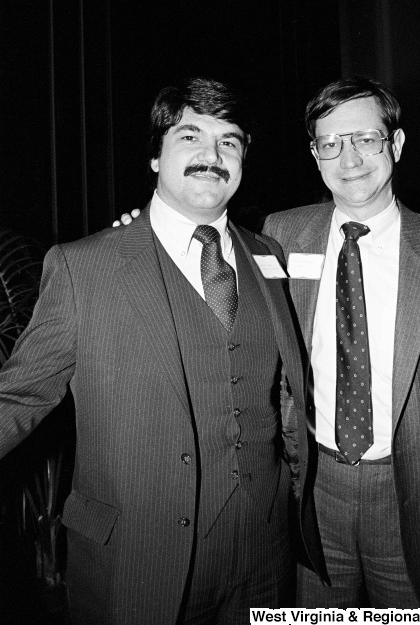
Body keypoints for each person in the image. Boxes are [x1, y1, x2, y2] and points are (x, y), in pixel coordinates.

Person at [0, 78, 325, 625]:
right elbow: (21, 394)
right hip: (137, 555)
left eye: (229, 141)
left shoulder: (268, 254)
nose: (211, 156)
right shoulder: (85, 266)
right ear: (155, 156)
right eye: (190, 136)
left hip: (264, 554)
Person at [262, 76, 420, 608]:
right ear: (315, 155)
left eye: (365, 139)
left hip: (418, 500)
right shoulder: (282, 236)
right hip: (314, 493)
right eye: (330, 143)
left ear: (395, 145)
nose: (349, 158)